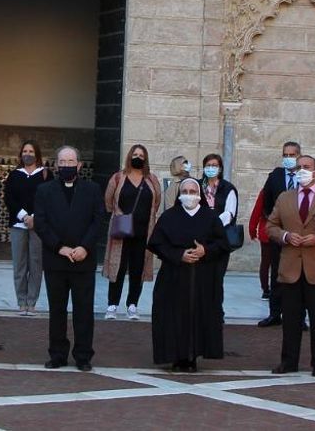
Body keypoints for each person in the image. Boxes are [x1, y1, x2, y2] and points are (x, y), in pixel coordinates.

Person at [266, 155, 315, 376]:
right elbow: (270, 226)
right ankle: (288, 361)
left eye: (307, 167)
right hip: (291, 268)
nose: (302, 170)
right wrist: (284, 236)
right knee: (290, 320)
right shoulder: (285, 198)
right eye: (299, 167)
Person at [34, 146, 107, 371]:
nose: (67, 165)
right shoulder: (44, 190)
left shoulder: (92, 189)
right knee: (57, 310)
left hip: (83, 259)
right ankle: (57, 354)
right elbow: (41, 224)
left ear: (79, 164)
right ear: (56, 165)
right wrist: (60, 248)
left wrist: (84, 247)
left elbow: (98, 220)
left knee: (83, 310)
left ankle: (83, 355)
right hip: (56, 259)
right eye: (62, 161)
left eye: (71, 161)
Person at [150, 177, 229, 372]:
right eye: (185, 192)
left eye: (193, 192)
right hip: (173, 277)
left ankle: (193, 356)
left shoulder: (211, 218)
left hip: (202, 278)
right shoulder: (169, 217)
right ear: (179, 195)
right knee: (173, 317)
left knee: (198, 316)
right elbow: (156, 244)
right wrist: (179, 255)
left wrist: (205, 251)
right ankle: (176, 357)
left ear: (199, 195)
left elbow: (223, 244)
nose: (189, 196)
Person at [103, 144, 160, 321]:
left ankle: (132, 305)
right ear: (129, 156)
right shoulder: (118, 178)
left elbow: (156, 202)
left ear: (146, 158)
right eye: (135, 154)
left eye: (141, 155)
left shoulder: (151, 179)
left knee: (138, 269)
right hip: (122, 230)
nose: (138, 157)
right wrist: (120, 215)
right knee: (117, 267)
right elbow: (108, 201)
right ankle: (112, 305)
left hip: (144, 233)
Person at [256, 141, 304, 327]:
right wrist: (274, 224)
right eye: (285, 154)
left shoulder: (304, 176)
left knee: (299, 277)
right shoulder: (275, 176)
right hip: (279, 234)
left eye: (292, 155)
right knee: (277, 274)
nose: (288, 158)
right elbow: (266, 201)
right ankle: (275, 313)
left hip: (300, 235)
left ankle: (298, 318)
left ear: (299, 155)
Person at [3, 139, 49, 316]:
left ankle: (32, 302)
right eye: (24, 151)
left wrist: (35, 218)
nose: (27, 154)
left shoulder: (46, 175)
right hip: (18, 226)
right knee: (19, 265)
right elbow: (9, 199)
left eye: (30, 151)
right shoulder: (14, 175)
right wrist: (24, 216)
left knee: (36, 264)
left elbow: (48, 199)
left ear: (37, 154)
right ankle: (21, 302)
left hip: (38, 227)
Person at [199, 153, 238, 320]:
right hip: (199, 238)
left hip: (219, 240)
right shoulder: (198, 186)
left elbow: (229, 213)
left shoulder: (228, 188)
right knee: (199, 277)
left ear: (220, 168)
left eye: (214, 165)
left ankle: (216, 311)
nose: (211, 168)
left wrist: (211, 224)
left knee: (216, 277)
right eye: (208, 165)